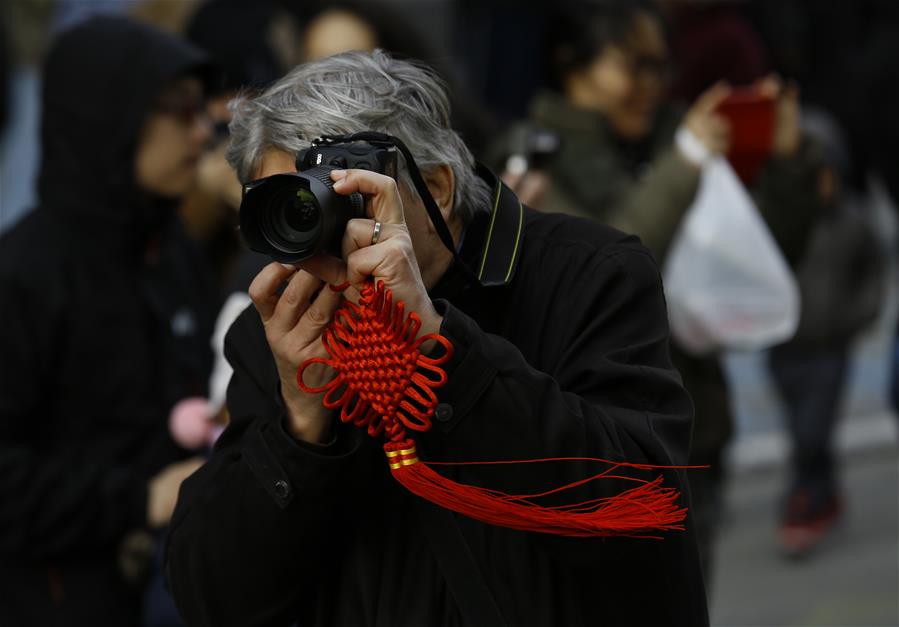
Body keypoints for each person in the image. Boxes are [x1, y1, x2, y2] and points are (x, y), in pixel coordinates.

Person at [165, 50, 708, 626]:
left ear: (438, 189)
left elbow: (637, 512)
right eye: (289, 207)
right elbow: (213, 597)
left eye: (334, 198)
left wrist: (438, 349)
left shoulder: (586, 272)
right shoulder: (283, 325)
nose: (313, 233)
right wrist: (298, 428)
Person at [493, 0, 824, 586]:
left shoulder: (675, 131)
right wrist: (687, 162)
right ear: (573, 63)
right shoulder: (530, 153)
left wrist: (788, 162)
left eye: (660, 66)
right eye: (632, 67)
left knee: (691, 593)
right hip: (590, 437)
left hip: (697, 425)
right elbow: (607, 264)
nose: (651, 85)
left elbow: (761, 260)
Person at [0, 17, 219, 625]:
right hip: (56, 596)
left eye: (203, 108)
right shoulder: (25, 275)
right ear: (110, 116)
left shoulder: (170, 247)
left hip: (172, 579)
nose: (202, 132)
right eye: (178, 110)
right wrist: (139, 499)